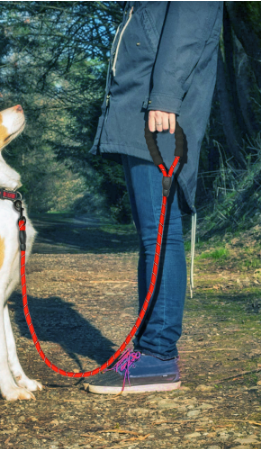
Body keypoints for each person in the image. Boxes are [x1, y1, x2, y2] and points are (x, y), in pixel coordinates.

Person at [84, 1, 223, 394]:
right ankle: (148, 351)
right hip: (141, 110)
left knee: (160, 236)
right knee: (153, 236)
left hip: (157, 112)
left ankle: (159, 357)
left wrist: (164, 95)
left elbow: (191, 25)